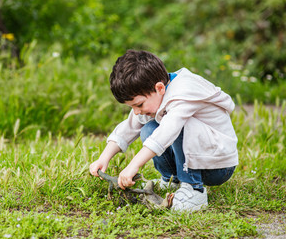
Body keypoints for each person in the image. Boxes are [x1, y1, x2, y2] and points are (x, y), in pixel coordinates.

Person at [89, 50, 238, 212]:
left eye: (138, 105)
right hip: (196, 158)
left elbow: (167, 131)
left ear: (159, 88)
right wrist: (104, 157)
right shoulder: (155, 94)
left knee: (175, 126)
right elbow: (129, 127)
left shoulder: (184, 92)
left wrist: (134, 165)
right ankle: (172, 179)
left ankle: (195, 190)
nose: (137, 111)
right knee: (149, 128)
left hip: (217, 166)